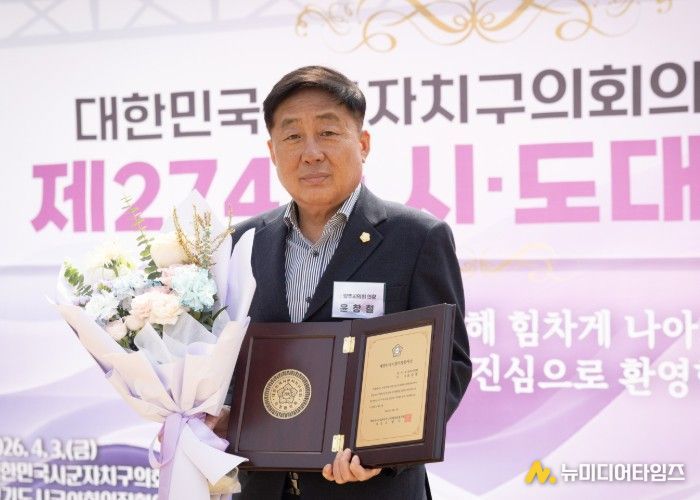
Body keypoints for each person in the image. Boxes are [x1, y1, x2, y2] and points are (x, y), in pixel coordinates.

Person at [208, 65, 471, 499]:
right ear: (272, 151)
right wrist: (214, 417)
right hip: (262, 488)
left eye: (328, 133)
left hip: (371, 490)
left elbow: (448, 367)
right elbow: (226, 359)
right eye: (293, 136)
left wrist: (385, 453)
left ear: (362, 143)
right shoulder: (242, 243)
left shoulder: (417, 237)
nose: (311, 153)